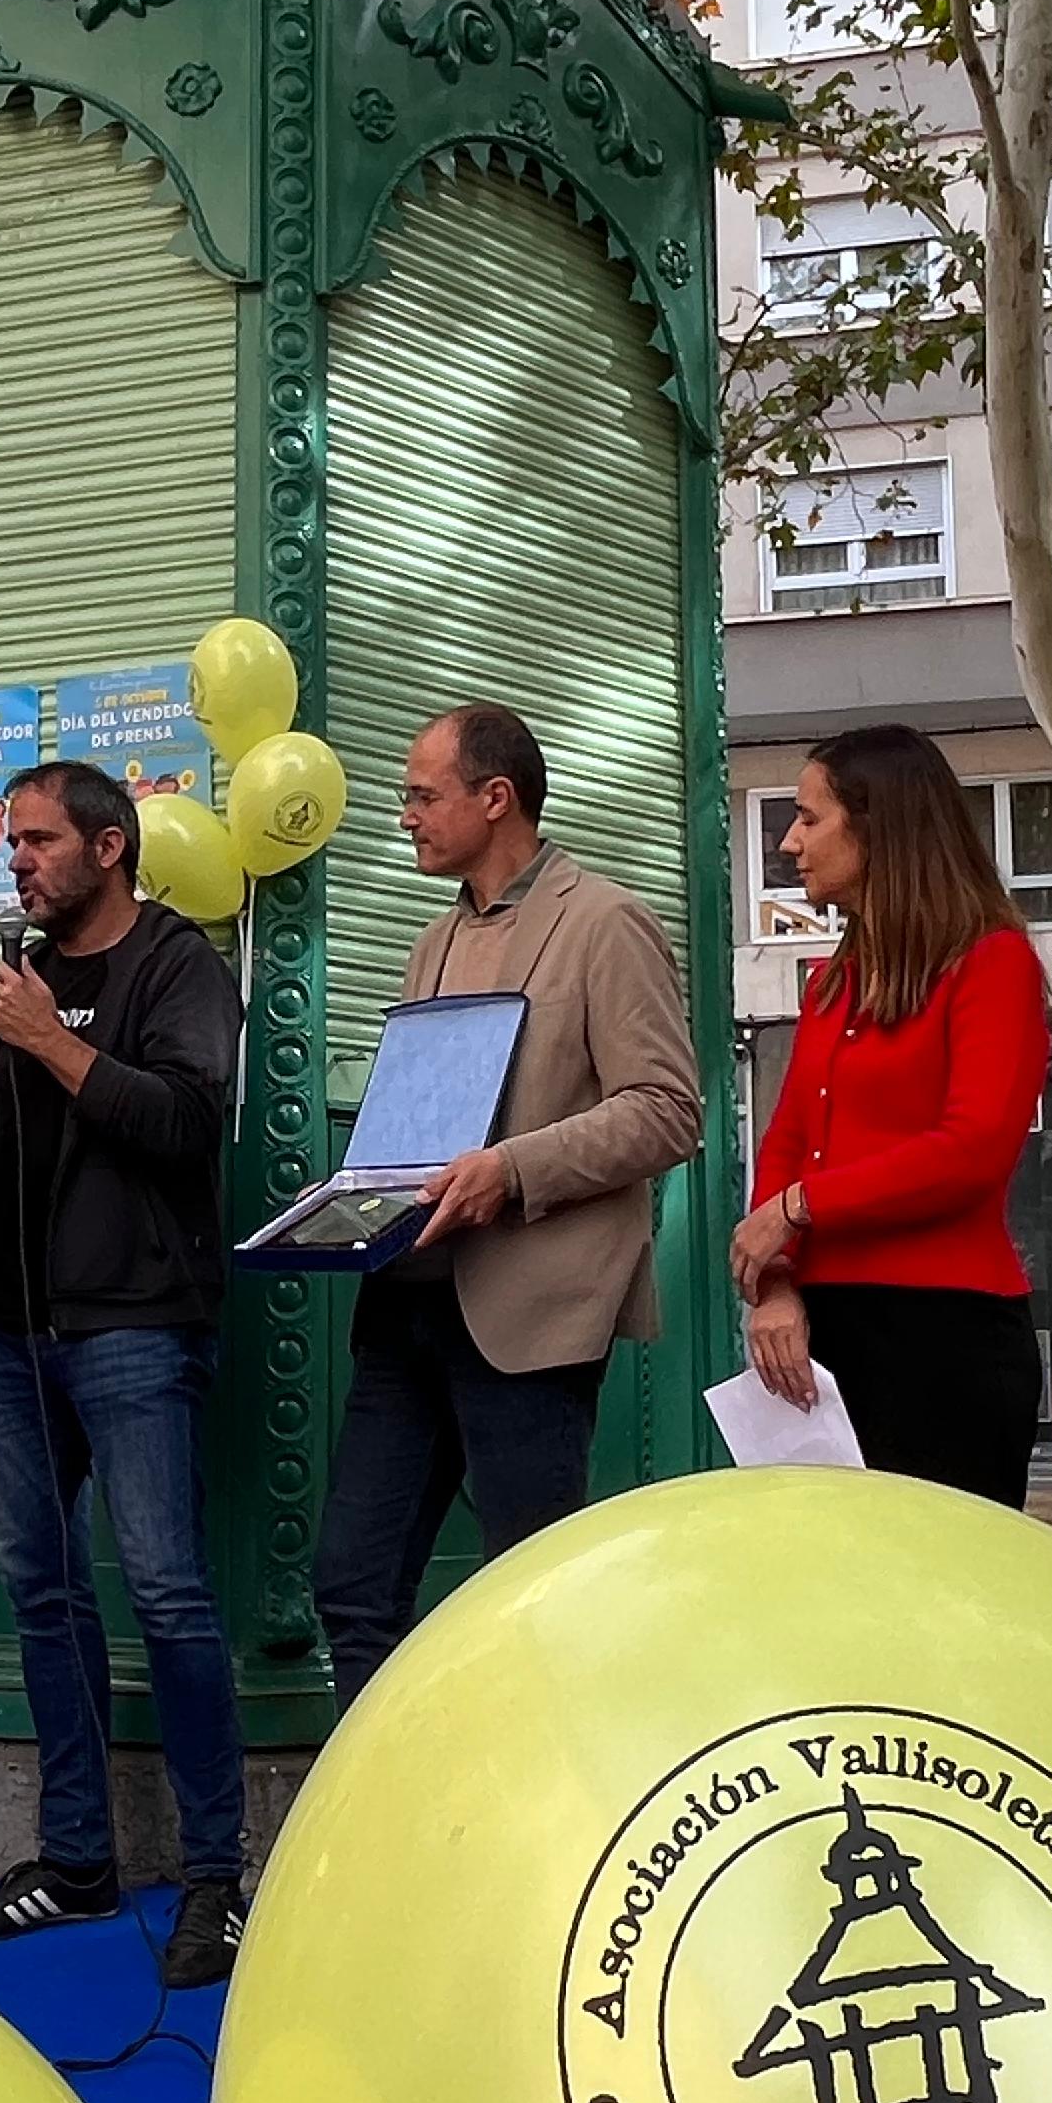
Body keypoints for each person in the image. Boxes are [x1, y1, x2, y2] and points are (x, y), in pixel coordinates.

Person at [314, 704, 702, 1714]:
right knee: (353, 1586)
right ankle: (383, 1800)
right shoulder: (431, 941)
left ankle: (538, 1800)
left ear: (497, 798)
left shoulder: (606, 921)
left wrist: (514, 1170)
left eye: (422, 795)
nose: (405, 816)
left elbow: (668, 1110)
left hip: (529, 1314)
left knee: (532, 1596)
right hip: (405, 1298)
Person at [0, 759, 251, 1990]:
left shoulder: (178, 964)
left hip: (134, 1322)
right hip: (9, 1328)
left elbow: (183, 1121)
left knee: (167, 1592)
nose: (17, 860)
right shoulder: (24, 977)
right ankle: (77, 1861)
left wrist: (48, 1045)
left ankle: (217, 1875)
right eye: (12, 842)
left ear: (109, 848)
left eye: (38, 840)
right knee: (43, 1590)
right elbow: (8, 1142)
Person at [733, 727, 1052, 1504]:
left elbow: (973, 1146)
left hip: (945, 1335)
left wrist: (799, 1208)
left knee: (939, 1573)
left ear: (879, 827)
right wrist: (776, 1286)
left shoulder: (993, 961)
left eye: (810, 818)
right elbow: (788, 1137)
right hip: (820, 1332)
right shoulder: (832, 983)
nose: (789, 842)